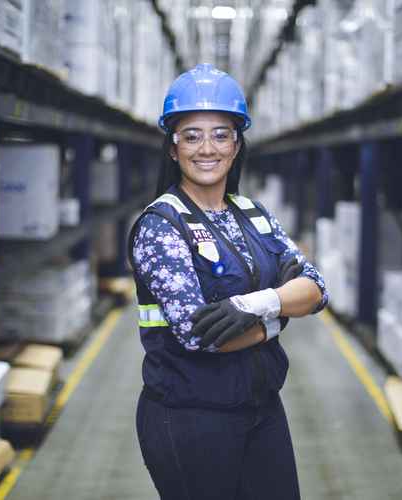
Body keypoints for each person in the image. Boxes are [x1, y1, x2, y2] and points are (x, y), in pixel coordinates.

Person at [128, 63, 328, 500]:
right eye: (191, 135)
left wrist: (255, 306)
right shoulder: (162, 226)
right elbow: (201, 335)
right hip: (190, 418)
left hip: (261, 408)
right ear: (172, 147)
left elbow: (315, 287)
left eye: (221, 134)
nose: (207, 148)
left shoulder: (253, 214)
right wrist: (280, 314)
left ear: (237, 145)